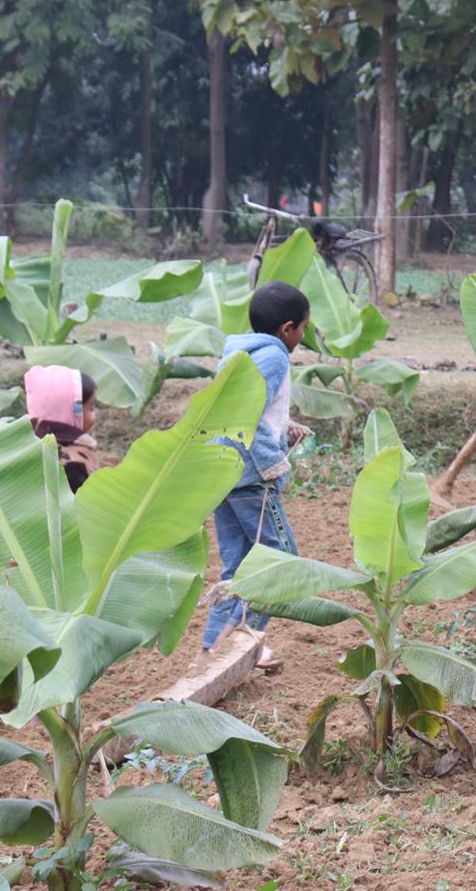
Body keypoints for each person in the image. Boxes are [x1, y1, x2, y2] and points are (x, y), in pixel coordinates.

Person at [202, 281, 313, 670]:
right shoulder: (276, 357)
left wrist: (285, 429)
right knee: (281, 562)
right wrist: (273, 462)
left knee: (237, 566)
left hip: (225, 474)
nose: (303, 337)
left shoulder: (241, 353)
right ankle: (243, 639)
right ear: (287, 329)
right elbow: (245, 414)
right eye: (303, 329)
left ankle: (211, 649)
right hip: (252, 480)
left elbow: (253, 406)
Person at [24, 365, 101, 491]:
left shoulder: (26, 446)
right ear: (73, 414)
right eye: (91, 408)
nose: (94, 416)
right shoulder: (74, 466)